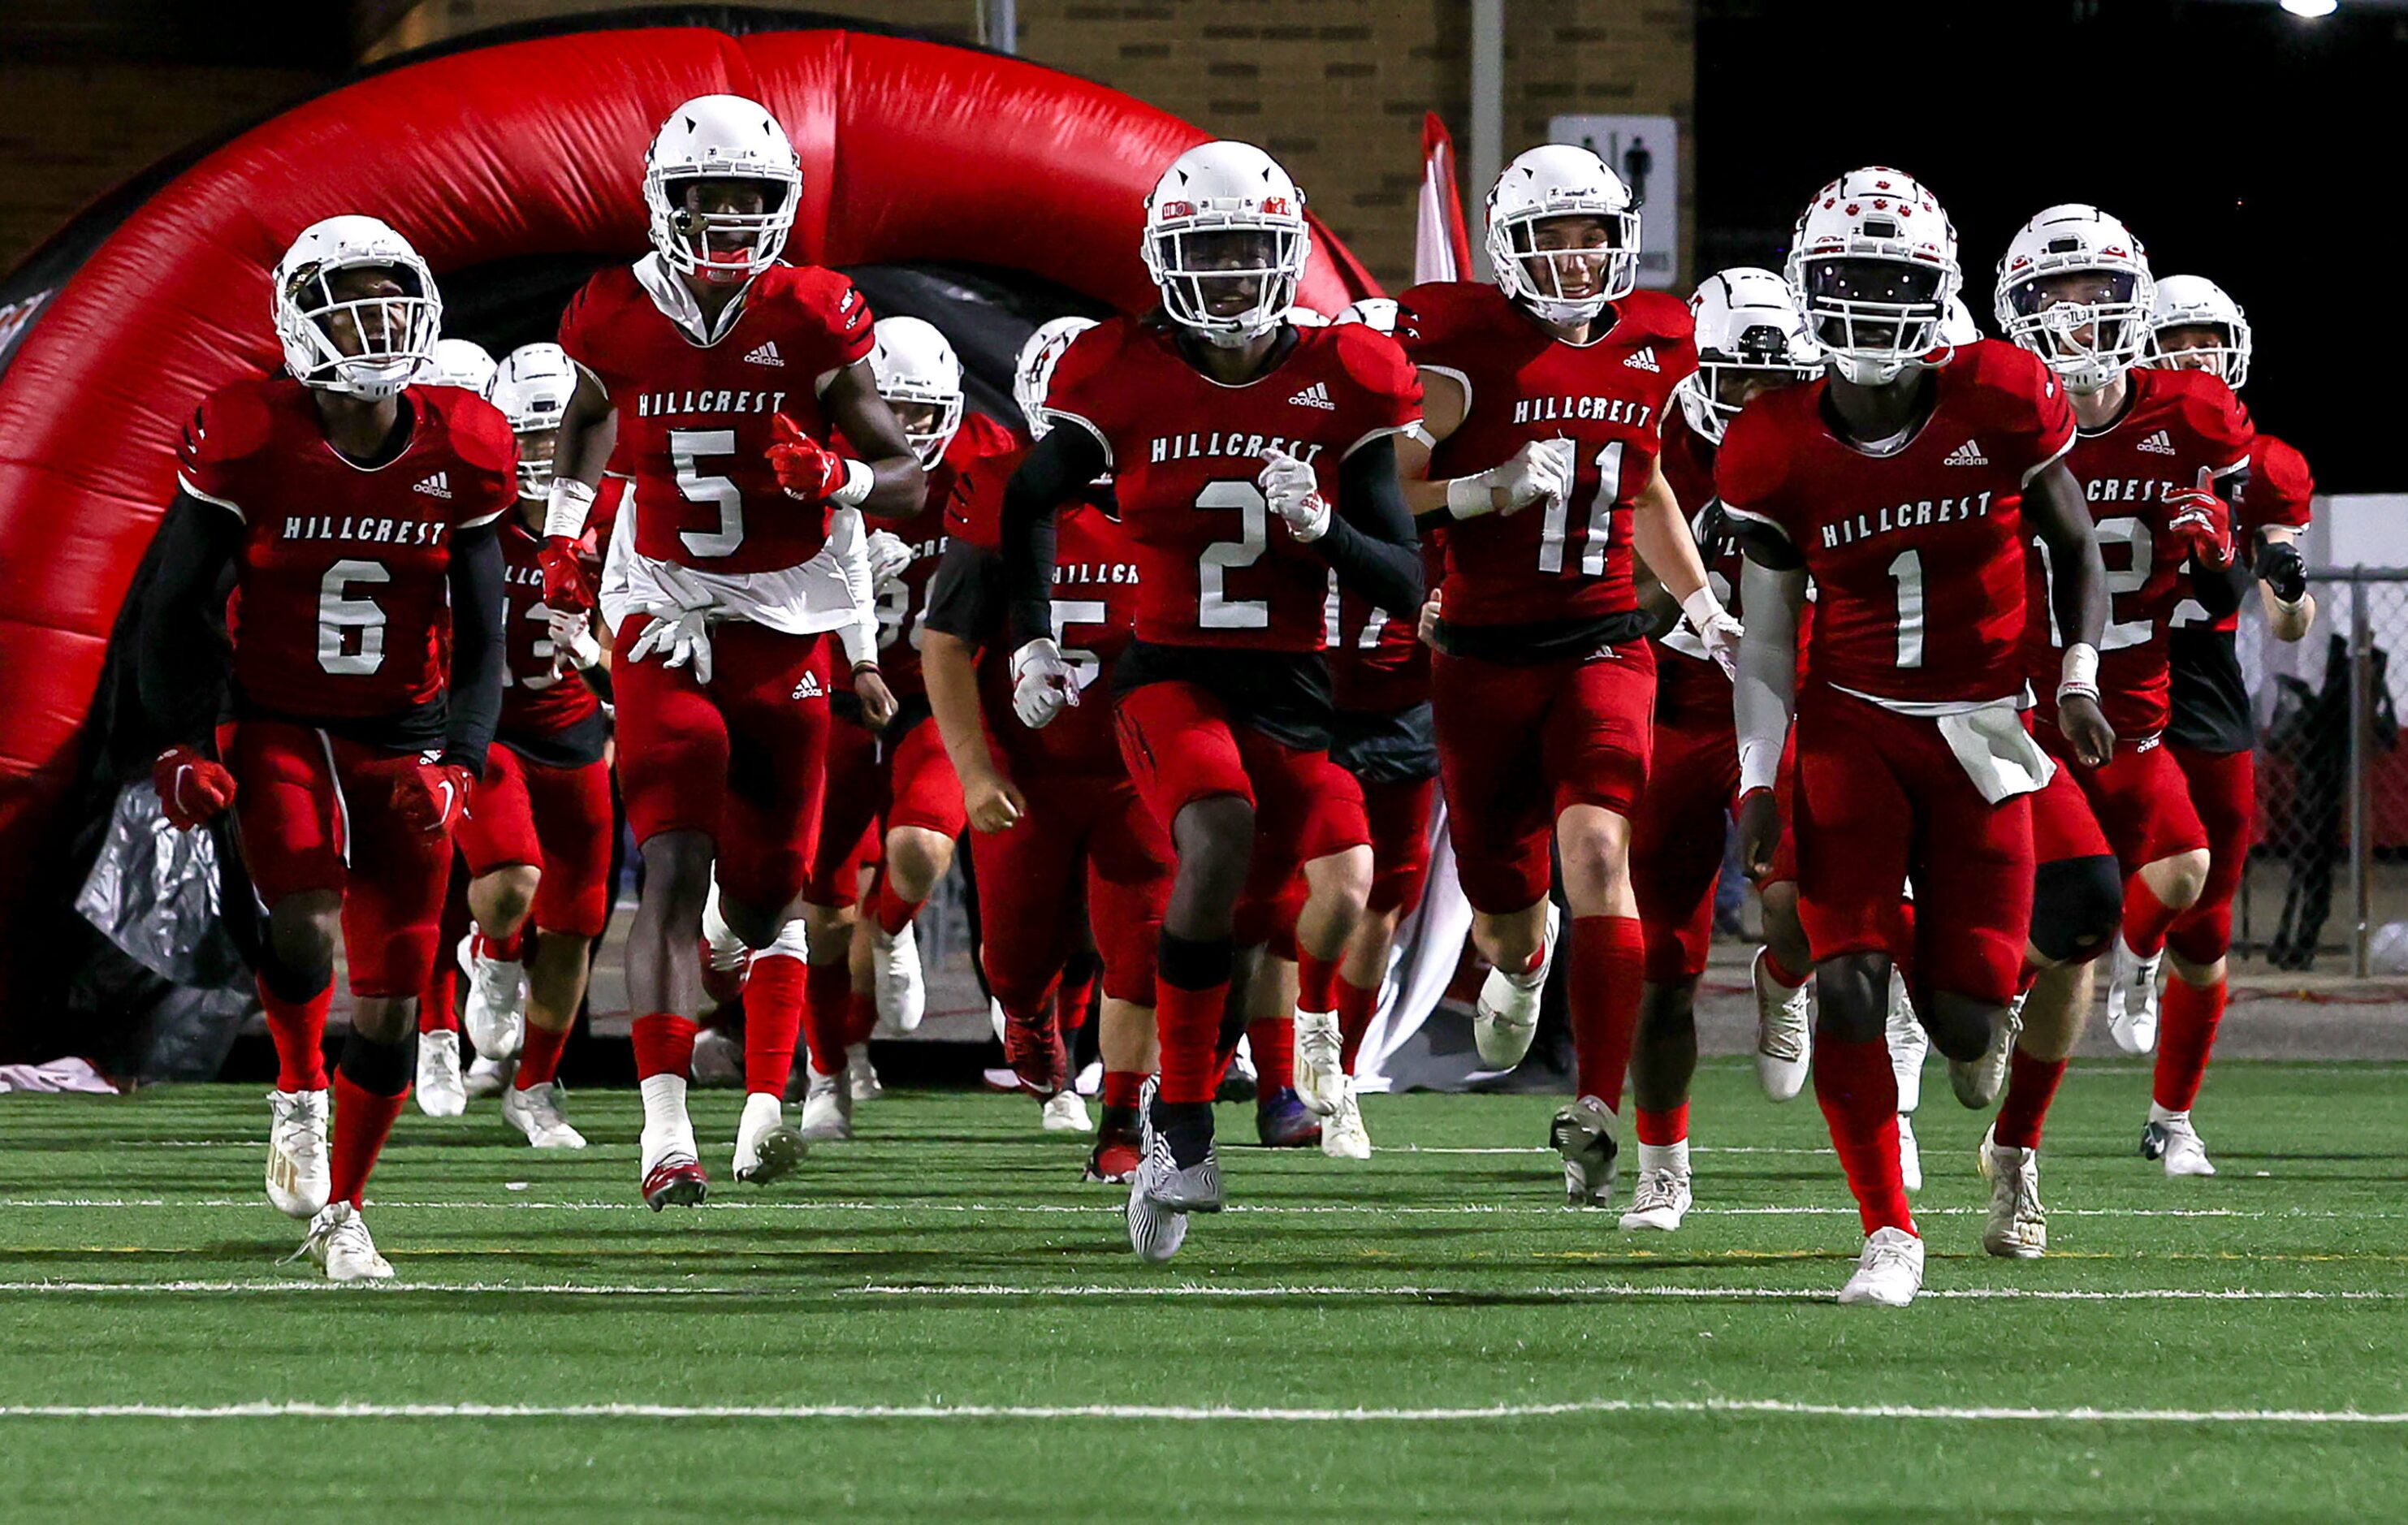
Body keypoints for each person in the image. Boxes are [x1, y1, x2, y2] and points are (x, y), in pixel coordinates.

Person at [998, 141, 1424, 1261]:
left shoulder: (1350, 376)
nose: (1232, 275)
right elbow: (1028, 497)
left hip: (1292, 684)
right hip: (1169, 669)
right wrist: (1032, 638)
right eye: (1208, 252)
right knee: (1218, 830)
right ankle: (1179, 1126)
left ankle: (1281, 1064)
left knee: (1339, 882)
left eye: (1250, 253)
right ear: (1162, 260)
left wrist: (1325, 529)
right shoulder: (1120, 368)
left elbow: (1412, 580)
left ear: (1285, 258)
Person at [1723, 166, 2113, 1307]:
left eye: (1893, 280)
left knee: (1963, 1024)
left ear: (1938, 290)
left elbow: (2075, 549)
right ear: (1807, 284)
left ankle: (1915, 971)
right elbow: (1762, 639)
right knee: (1848, 980)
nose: (1867, 301)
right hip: (1853, 730)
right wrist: (1760, 778)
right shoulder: (1775, 442)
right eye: (1847, 277)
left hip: (1986, 728)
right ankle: (1888, 1232)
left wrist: (2078, 676)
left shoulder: (1998, 393)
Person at [536, 94, 925, 1207]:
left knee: (763, 903)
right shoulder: (612, 309)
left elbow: (907, 471)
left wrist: (841, 478)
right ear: (665, 199)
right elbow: (590, 411)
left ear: (782, 206)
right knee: (666, 868)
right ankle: (664, 1133)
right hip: (664, 615)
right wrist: (568, 532)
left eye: (748, 198)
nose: (723, 217)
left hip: (789, 626)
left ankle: (728, 941)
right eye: (704, 195)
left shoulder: (813, 314)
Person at [138, 214, 514, 1278]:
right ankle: (298, 1083)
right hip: (280, 717)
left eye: (389, 301)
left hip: (406, 727)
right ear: (298, 320)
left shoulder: (464, 442)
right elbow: (173, 606)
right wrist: (178, 743)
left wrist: (464, 761)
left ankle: (344, 1210)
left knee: (395, 991)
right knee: (303, 918)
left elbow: (483, 625)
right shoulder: (252, 433)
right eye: (346, 304)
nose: (373, 324)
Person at [1395, 144, 1737, 1210]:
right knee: (1506, 902)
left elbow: (1640, 493)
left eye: (1594, 235)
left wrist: (1695, 602)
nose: (1580, 260)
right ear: (1510, 248)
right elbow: (1385, 490)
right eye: (1556, 238)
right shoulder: (1461, 350)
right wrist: (1480, 489)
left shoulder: (1653, 340)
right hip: (1482, 656)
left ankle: (1595, 1111)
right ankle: (1522, 964)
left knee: (1599, 849)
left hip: (1599, 642)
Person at [1980, 205, 2249, 1255]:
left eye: (2098, 295)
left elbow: (2217, 581)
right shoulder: (1999, 412)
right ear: (2017, 310)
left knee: (2181, 869)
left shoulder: (2189, 415)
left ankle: (2010, 1092)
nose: (2078, 317)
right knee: (2081, 923)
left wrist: (2217, 545)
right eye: (2054, 297)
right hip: (2022, 713)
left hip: (2133, 716)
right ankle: (2007, 1103)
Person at [923, 315, 1174, 1178]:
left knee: (1137, 949)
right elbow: (946, 643)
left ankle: (1120, 1124)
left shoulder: (1174, 485)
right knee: (1020, 954)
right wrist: (973, 767)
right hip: (1029, 769)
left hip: (1138, 765)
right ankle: (1027, 1012)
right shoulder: (1002, 489)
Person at [784, 313, 1015, 1139]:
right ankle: (826, 1070)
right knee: (821, 906)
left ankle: (894, 930)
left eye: (921, 410)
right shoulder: (809, 460)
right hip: (837, 695)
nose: (908, 428)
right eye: (892, 408)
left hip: (930, 693)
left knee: (920, 849)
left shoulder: (984, 467)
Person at [1624, 266, 1819, 1230]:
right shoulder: (1652, 442)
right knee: (1663, 959)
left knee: (1798, 910)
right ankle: (1662, 1166)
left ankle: (1783, 982)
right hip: (1672, 706)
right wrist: (1679, 594)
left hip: (1781, 702)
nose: (1755, 399)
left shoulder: (1822, 438)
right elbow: (1621, 590)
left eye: (1772, 381)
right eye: (1737, 377)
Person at [2133, 274, 2317, 1174]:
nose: (2196, 355)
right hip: (2106, 681)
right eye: (2177, 340)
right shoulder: (2104, 441)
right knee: (2071, 890)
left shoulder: (2264, 462)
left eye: (2208, 337)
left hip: (2202, 685)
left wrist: (2283, 585)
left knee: (2206, 929)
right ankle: (2122, 960)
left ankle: (2173, 1119)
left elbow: (2287, 622)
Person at [432, 341, 618, 1149]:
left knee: (576, 921)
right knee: (510, 881)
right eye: (528, 437)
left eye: (555, 436)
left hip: (571, 728)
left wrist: (602, 651)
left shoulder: (611, 519)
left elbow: (630, 636)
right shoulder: (469, 514)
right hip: (487, 727)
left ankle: (536, 1088)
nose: (544, 455)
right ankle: (490, 951)